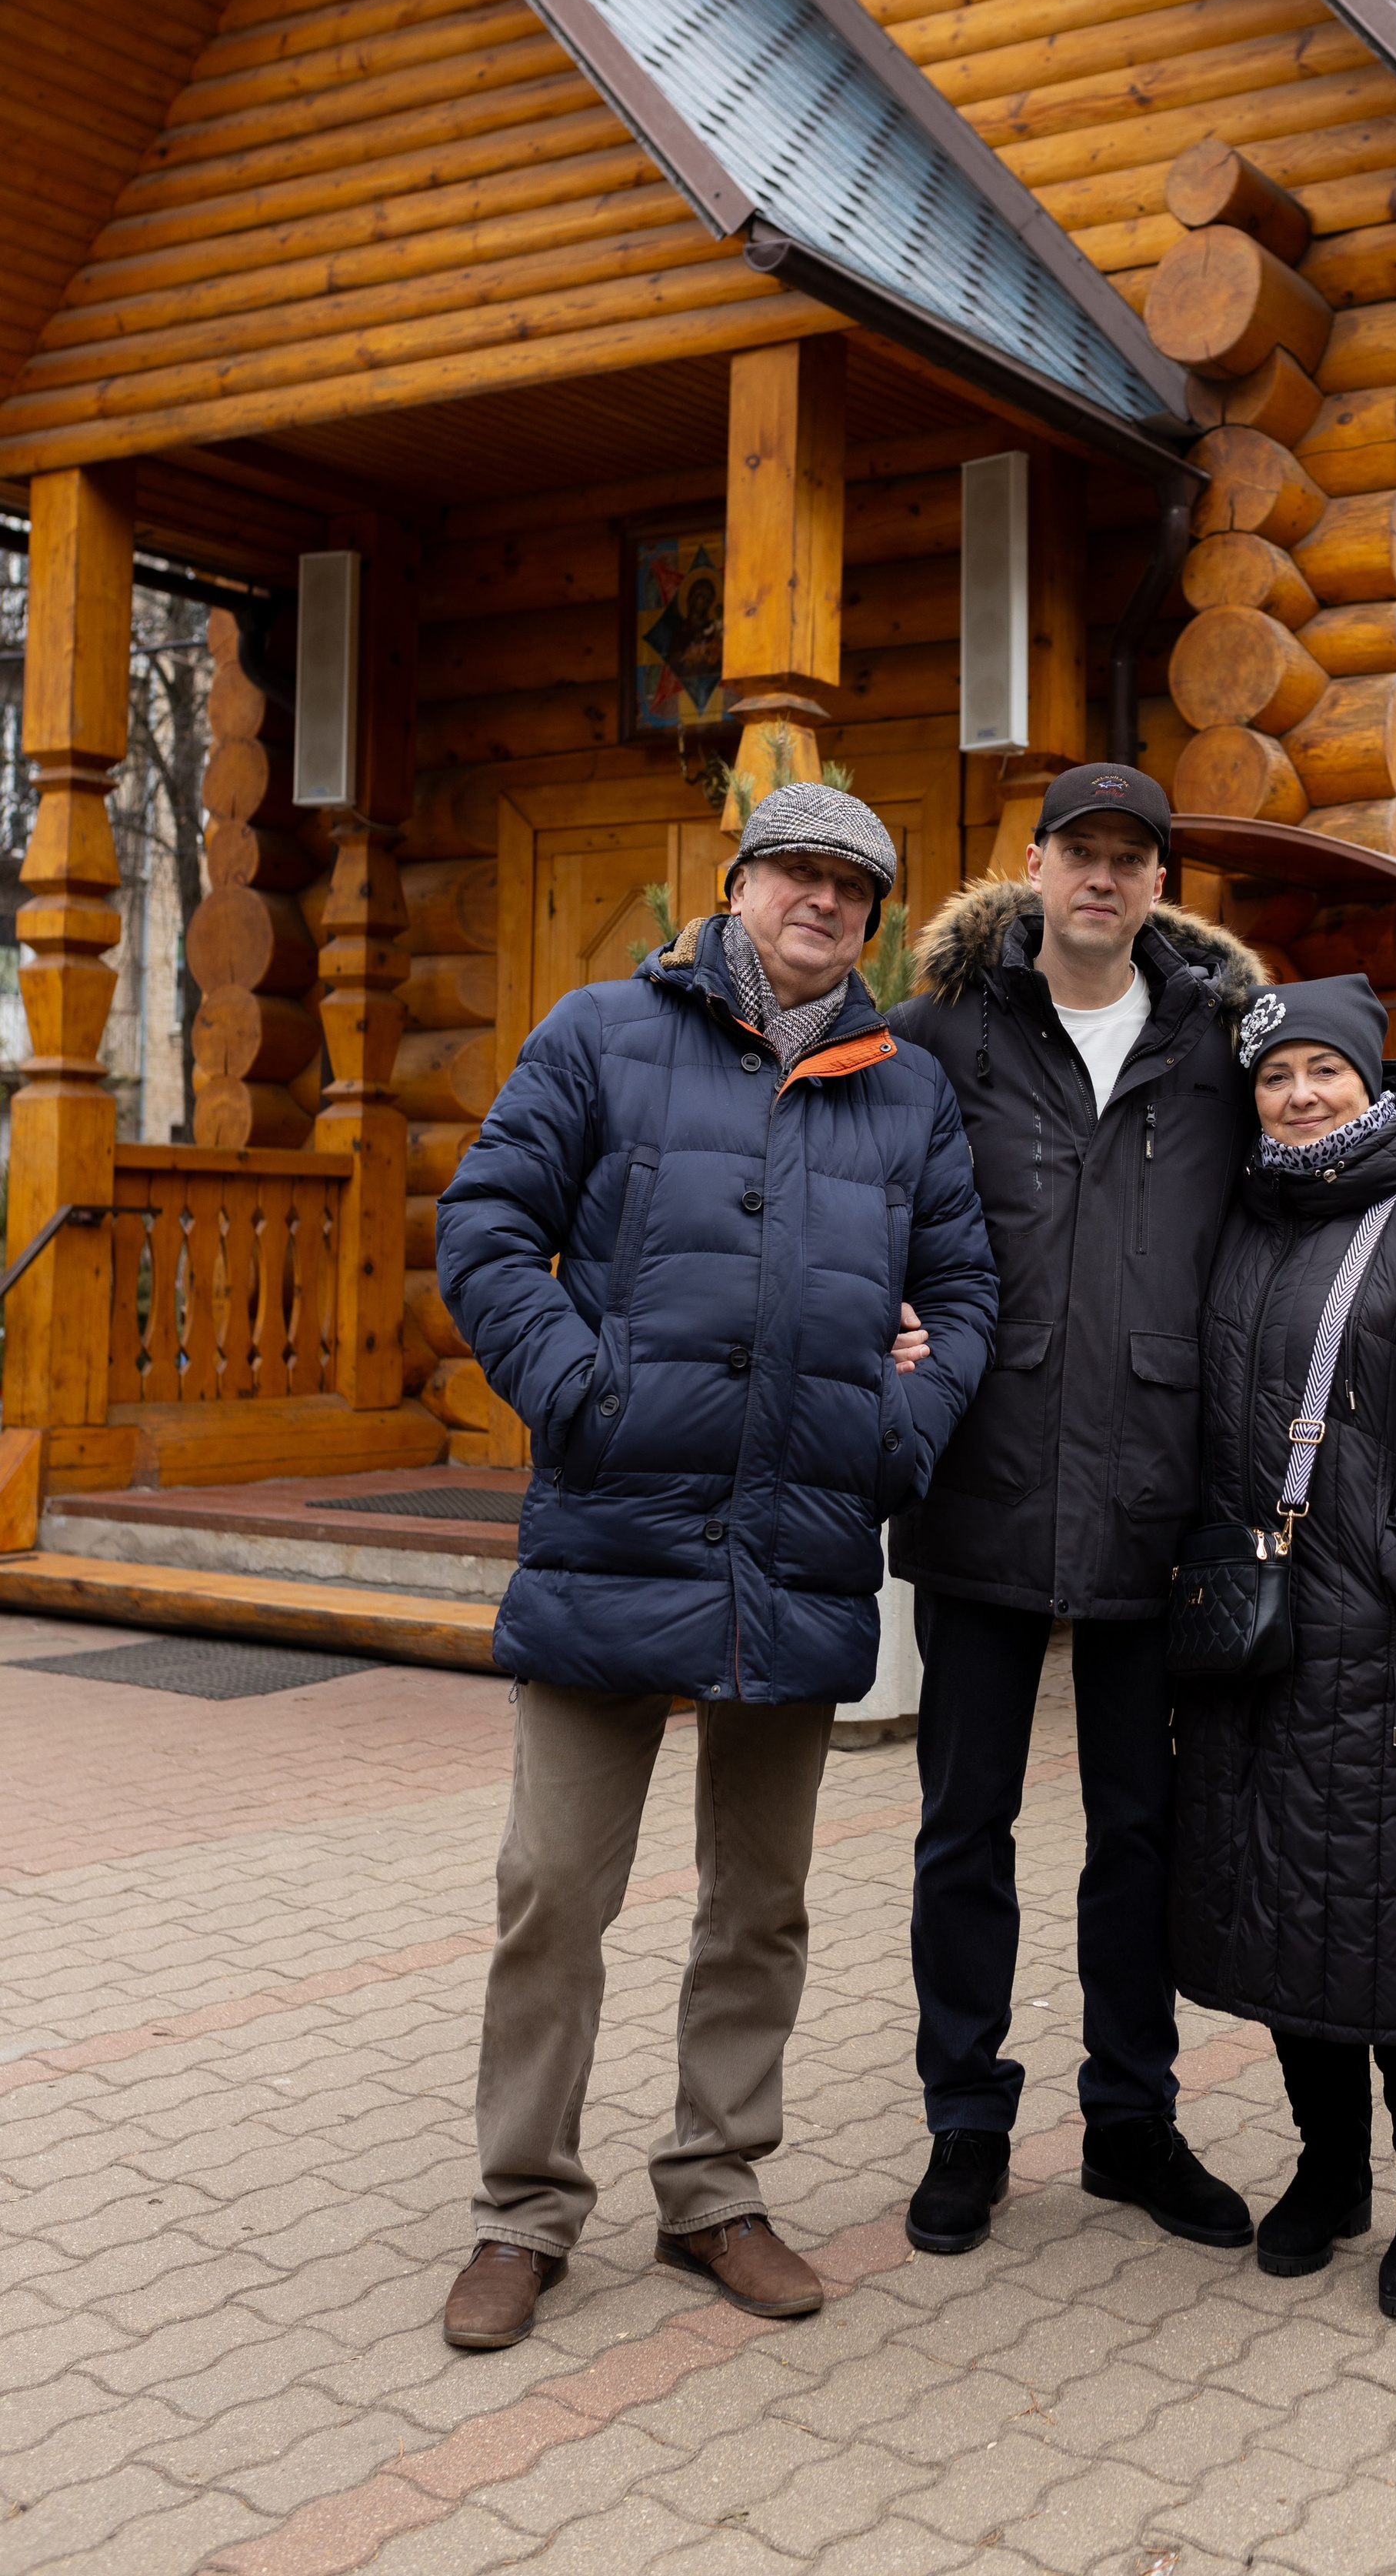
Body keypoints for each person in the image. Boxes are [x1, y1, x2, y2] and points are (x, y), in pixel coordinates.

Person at [434, 783, 996, 2347]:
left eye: (853, 888)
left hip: (802, 1533)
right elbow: (486, 1227)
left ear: (872, 922)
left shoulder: (904, 1089)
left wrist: (903, 1418)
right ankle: (520, 2211)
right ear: (736, 883)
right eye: (797, 874)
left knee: (759, 1900)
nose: (822, 903)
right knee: (553, 1885)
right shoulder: (600, 1031)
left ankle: (716, 2191)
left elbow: (960, 1283)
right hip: (615, 1521)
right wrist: (577, 1388)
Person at [885, 764, 1265, 2257]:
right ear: (1030, 866)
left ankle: (1131, 2121)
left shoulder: (1222, 1053)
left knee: (1140, 1829)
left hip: (1153, 1491)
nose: (1101, 879)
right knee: (961, 1827)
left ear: (1159, 884)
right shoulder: (940, 1038)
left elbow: (1294, 1205)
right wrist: (877, 1330)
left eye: (1130, 858)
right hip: (980, 1475)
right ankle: (962, 2126)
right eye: (1077, 853)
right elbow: (857, 1202)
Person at [1170, 974, 1396, 2322]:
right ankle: (1331, 2175)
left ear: (1372, 1078)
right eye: (1275, 1076)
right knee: (1287, 1908)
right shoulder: (1253, 1212)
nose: (1299, 1094)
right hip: (1266, 1639)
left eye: (1324, 1069)